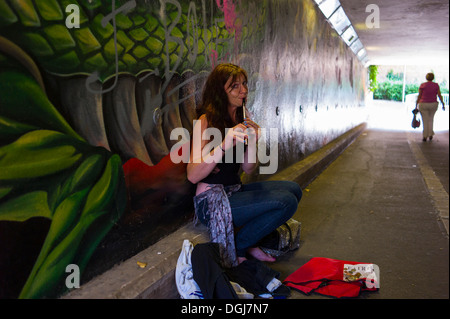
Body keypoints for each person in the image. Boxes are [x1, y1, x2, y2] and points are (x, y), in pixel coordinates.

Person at [187, 63, 302, 267]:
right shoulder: (206, 121)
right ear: (219, 91)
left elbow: (248, 168)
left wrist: (253, 140)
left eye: (244, 84)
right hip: (212, 201)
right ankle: (242, 246)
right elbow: (193, 175)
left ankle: (249, 241)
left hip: (234, 190)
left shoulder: (242, 117)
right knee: (286, 202)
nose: (244, 90)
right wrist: (224, 144)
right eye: (235, 86)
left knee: (294, 190)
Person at [415, 73, 445, 141]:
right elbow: (439, 95)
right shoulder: (436, 85)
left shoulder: (423, 85)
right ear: (433, 78)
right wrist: (442, 103)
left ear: (426, 78)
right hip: (433, 104)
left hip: (423, 104)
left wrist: (416, 104)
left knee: (425, 120)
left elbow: (419, 96)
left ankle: (425, 136)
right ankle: (430, 134)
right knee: (431, 119)